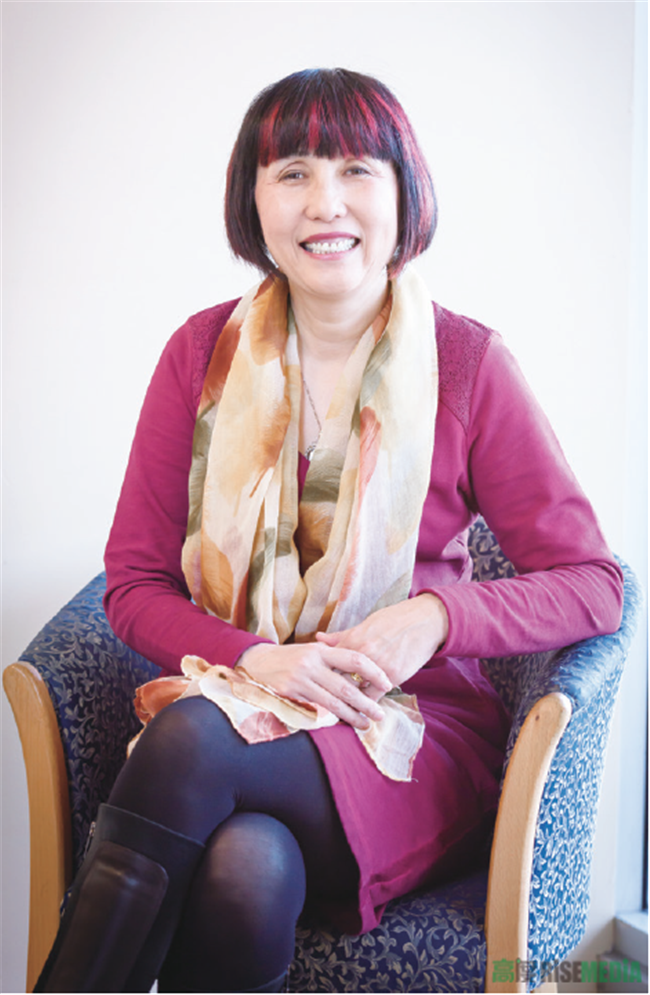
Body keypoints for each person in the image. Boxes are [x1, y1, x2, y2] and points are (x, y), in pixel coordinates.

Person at [35, 67, 624, 994]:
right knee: (246, 868)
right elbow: (135, 584)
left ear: (403, 192)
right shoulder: (199, 356)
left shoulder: (469, 365)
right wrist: (256, 659)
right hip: (242, 707)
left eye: (355, 170)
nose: (325, 202)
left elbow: (593, 583)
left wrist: (436, 616)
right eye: (293, 173)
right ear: (254, 200)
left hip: (408, 734)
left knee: (190, 741)